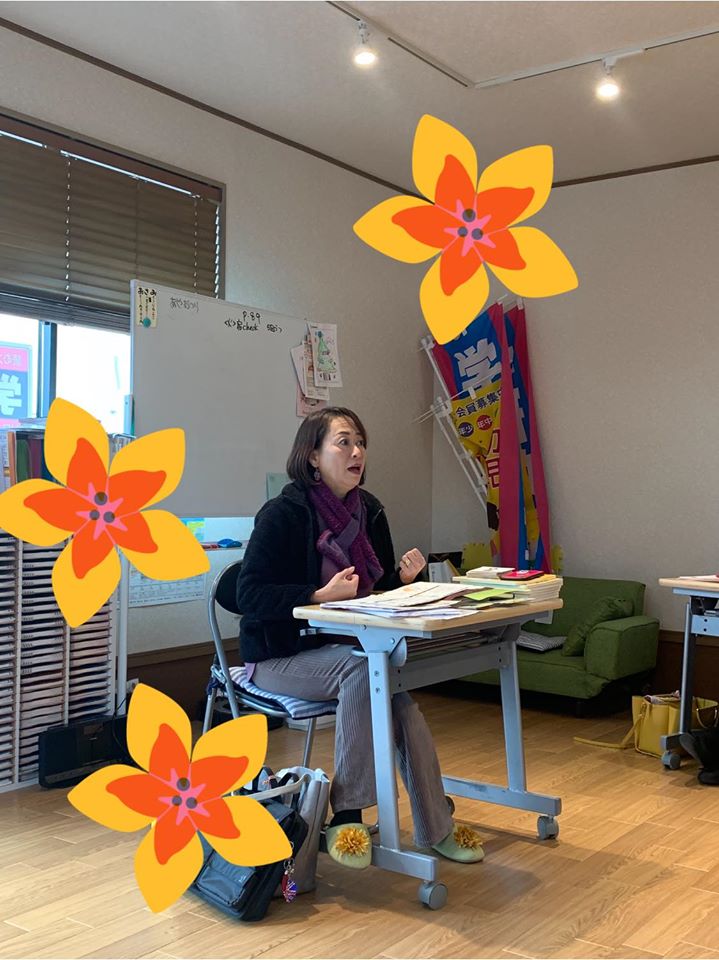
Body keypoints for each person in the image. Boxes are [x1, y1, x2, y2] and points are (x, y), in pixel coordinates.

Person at [237, 407, 484, 868]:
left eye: (361, 443)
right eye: (344, 442)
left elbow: (374, 593)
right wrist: (315, 595)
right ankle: (348, 813)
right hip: (278, 656)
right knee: (365, 672)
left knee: (399, 701)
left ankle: (435, 827)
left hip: (345, 651)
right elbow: (247, 593)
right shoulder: (283, 513)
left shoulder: (369, 510)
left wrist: (402, 580)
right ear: (313, 455)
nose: (357, 452)